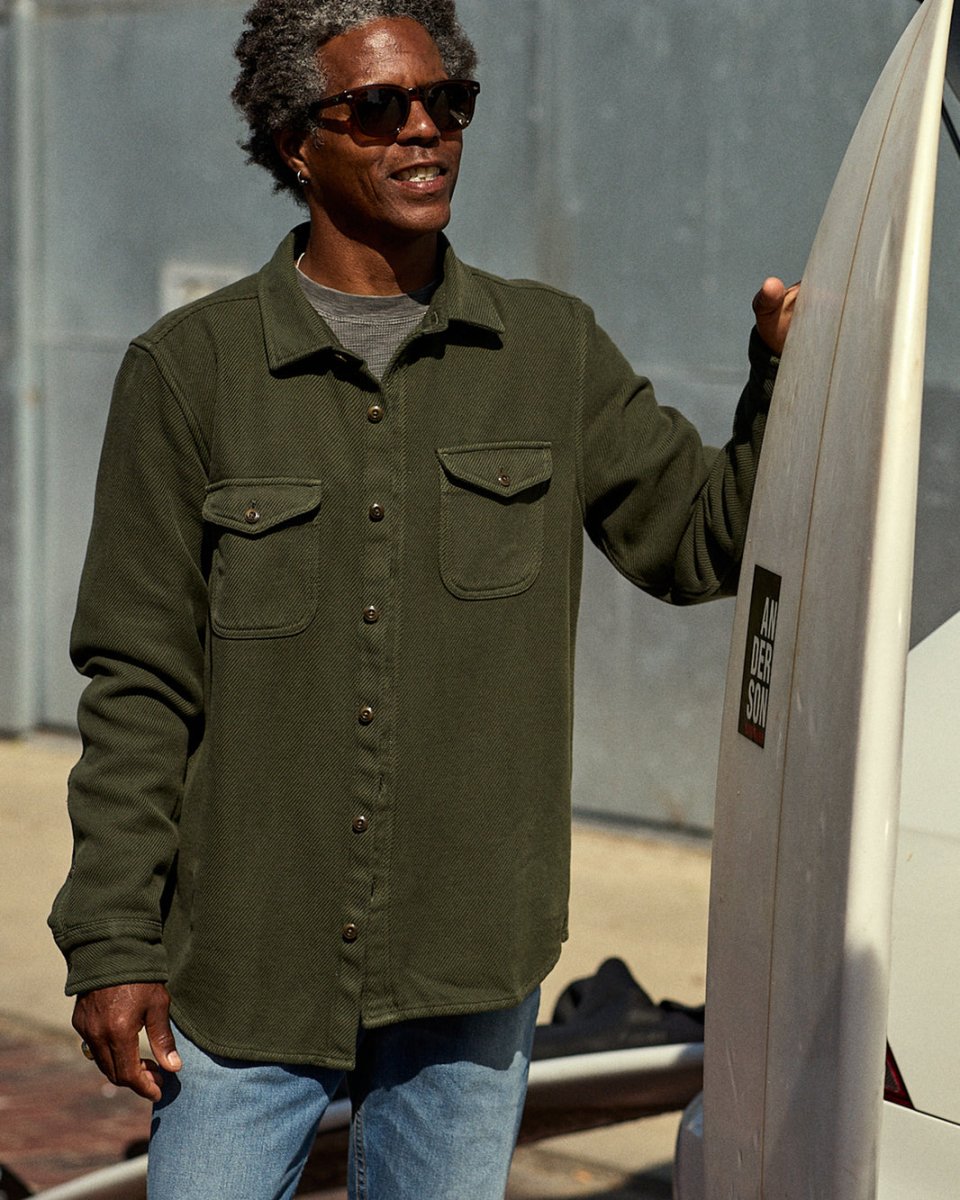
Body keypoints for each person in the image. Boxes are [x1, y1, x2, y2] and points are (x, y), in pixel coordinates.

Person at [49, 1, 797, 1196]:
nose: (424, 129)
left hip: (467, 967)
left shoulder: (549, 351)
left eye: (447, 101)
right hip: (247, 969)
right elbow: (137, 680)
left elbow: (700, 543)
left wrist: (786, 379)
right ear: (296, 141)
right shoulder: (189, 373)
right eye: (380, 107)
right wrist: (111, 939)